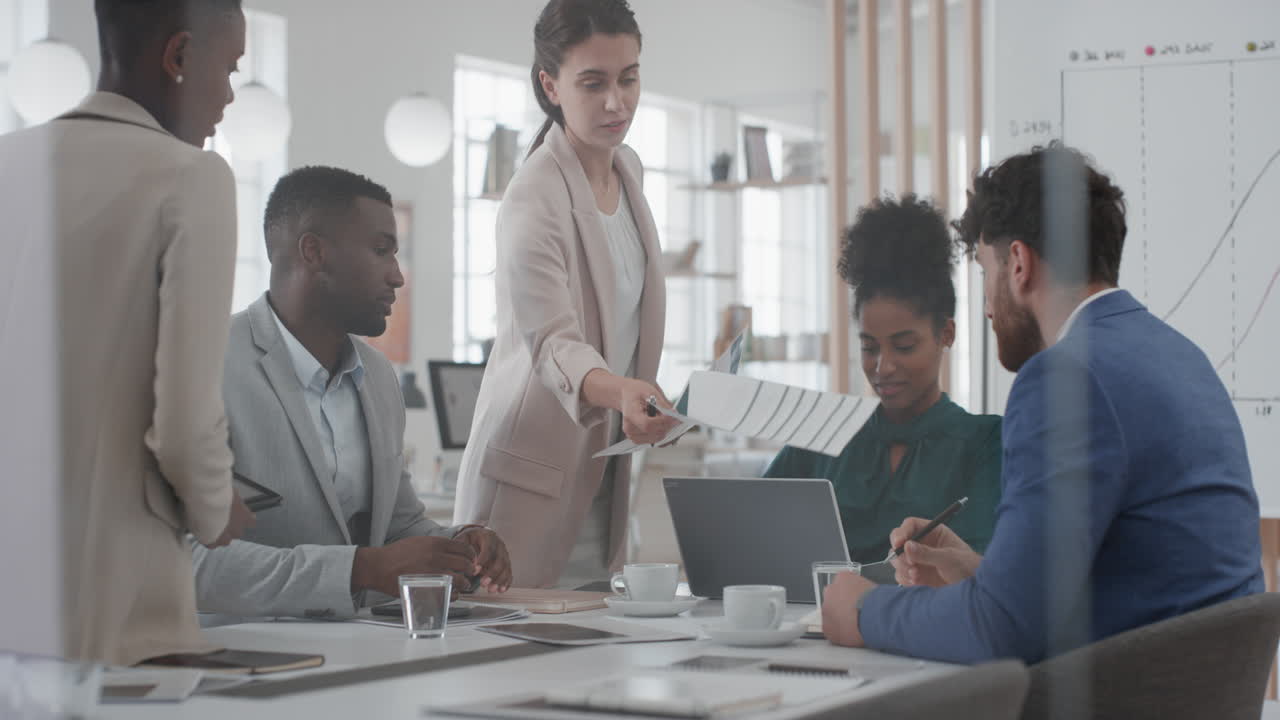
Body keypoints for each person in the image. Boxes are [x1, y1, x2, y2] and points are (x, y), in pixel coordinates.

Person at [821, 143, 1264, 664]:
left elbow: (1002, 632)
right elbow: (1129, 578)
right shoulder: (1181, 357)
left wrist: (866, 611)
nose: (987, 307)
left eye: (985, 273)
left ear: (1018, 263)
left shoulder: (1064, 378)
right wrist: (980, 573)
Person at [0, 0, 254, 664]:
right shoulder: (191, 177)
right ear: (177, 58)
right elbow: (184, 424)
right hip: (109, 589)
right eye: (228, 68)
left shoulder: (8, 161)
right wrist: (217, 507)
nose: (228, 95)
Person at [193, 167, 512, 620]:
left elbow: (397, 527)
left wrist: (459, 544)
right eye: (381, 251)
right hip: (239, 662)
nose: (398, 277)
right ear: (314, 252)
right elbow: (186, 563)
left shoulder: (378, 378)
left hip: (361, 656)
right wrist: (358, 569)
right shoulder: (207, 366)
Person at [453, 0, 679, 589]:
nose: (617, 101)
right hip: (529, 481)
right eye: (593, 83)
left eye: (629, 78)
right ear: (550, 85)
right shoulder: (533, 194)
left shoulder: (629, 170)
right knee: (511, 668)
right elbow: (554, 342)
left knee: (595, 667)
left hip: (603, 473)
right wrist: (622, 390)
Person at [765, 195, 1001, 577]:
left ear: (946, 334)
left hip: (923, 631)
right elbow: (756, 532)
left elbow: (984, 573)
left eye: (904, 346)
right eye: (868, 347)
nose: (882, 367)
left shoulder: (986, 442)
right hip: (808, 630)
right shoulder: (823, 430)